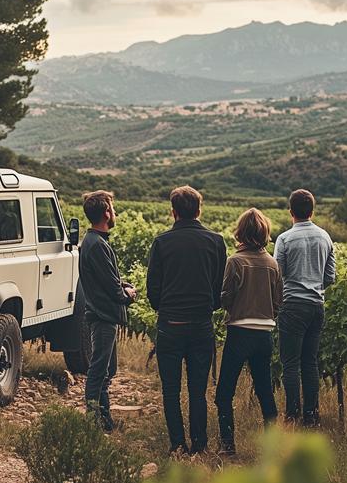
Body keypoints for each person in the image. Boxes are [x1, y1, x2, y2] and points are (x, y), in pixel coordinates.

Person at [146, 185, 227, 455]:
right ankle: (200, 445)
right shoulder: (216, 242)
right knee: (197, 390)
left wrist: (166, 309)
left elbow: (153, 292)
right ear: (199, 210)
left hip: (170, 326)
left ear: (173, 212)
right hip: (201, 325)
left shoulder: (161, 243)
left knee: (170, 391)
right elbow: (220, 291)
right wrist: (207, 307)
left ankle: (177, 444)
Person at [215, 208, 282, 455]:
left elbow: (226, 298)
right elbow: (278, 302)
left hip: (239, 333)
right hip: (264, 334)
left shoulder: (235, 261)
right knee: (265, 391)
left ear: (241, 232)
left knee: (224, 392)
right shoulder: (273, 263)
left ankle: (227, 445)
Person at [275, 188, 336, 426]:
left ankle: (292, 415)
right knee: (310, 362)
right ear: (312, 210)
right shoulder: (325, 237)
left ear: (290, 211)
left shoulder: (285, 239)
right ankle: (311, 416)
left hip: (292, 305)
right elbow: (330, 276)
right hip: (316, 306)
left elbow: (278, 276)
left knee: (291, 363)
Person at [79, 190, 136, 431]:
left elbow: (106, 280)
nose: (115, 213)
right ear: (106, 213)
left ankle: (105, 421)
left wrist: (121, 286)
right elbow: (113, 288)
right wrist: (128, 294)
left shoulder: (94, 242)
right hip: (103, 316)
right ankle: (93, 422)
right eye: (112, 209)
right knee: (98, 370)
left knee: (107, 370)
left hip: (105, 315)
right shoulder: (97, 245)